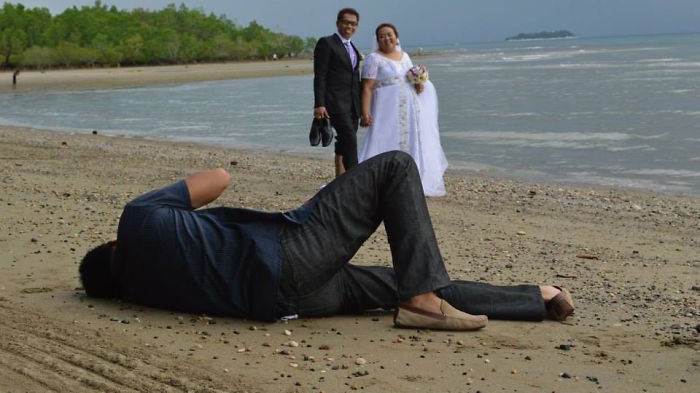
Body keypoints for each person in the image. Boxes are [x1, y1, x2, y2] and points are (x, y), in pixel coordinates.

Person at [79, 151, 574, 330]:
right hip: (289, 255)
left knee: (402, 281)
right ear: (114, 244)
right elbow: (219, 179)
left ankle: (535, 298)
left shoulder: (143, 292)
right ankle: (424, 304)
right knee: (396, 167)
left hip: (290, 304)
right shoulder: (138, 218)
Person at [359, 24, 448, 196]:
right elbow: (367, 87)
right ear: (377, 40)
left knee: (412, 140)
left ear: (396, 37)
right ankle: (379, 181)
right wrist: (365, 112)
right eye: (382, 36)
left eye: (389, 35)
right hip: (386, 108)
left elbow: (410, 79)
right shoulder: (373, 59)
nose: (386, 39)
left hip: (409, 108)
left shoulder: (405, 56)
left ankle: (411, 179)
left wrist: (419, 83)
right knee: (385, 138)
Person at [313, 8, 362, 177]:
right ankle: (355, 179)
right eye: (346, 23)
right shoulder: (326, 43)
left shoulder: (353, 48)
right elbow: (320, 75)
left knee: (344, 142)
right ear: (338, 23)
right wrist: (319, 104)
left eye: (353, 24)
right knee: (350, 139)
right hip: (335, 102)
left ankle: (340, 180)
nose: (350, 26)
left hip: (353, 104)